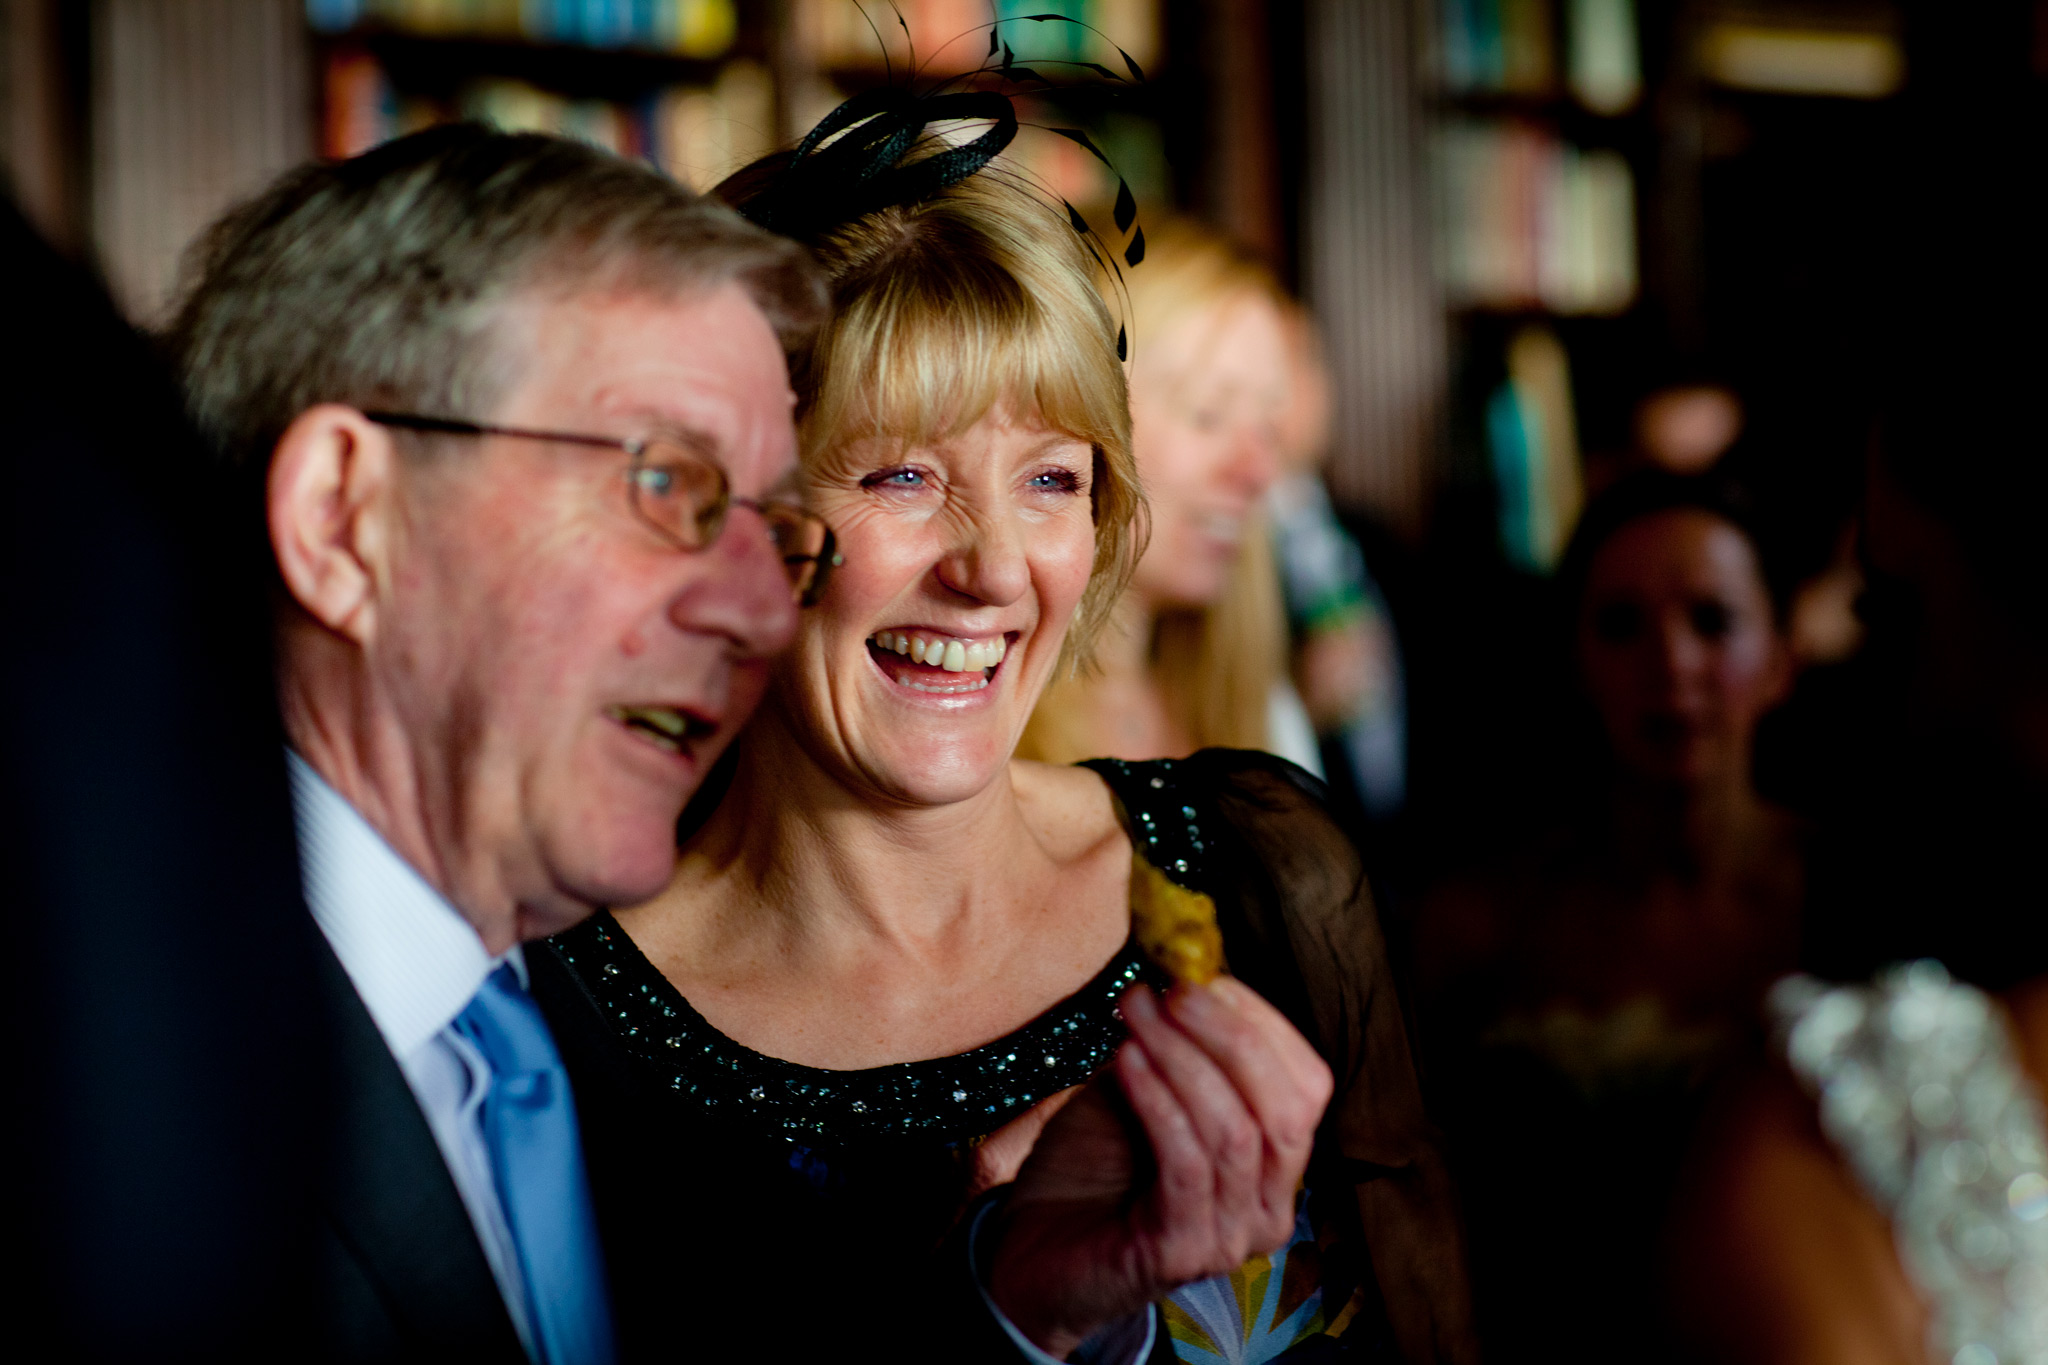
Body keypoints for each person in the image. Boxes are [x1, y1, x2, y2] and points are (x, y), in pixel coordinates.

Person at [165, 123, 1332, 1362]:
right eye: (665, 488)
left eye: (1054, 479)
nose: (758, 593)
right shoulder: (149, 1070)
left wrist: (1007, 1313)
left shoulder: (508, 1023)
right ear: (344, 518)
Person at [531, 110, 1475, 1365]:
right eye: (899, 477)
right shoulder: (563, 1020)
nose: (990, 571)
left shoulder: (1262, 869)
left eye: (1047, 480)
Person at [1414, 471, 1801, 1359]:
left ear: (1783, 657)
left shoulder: (1862, 903)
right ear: (1574, 661)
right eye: (1623, 624)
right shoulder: (1478, 924)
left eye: (1713, 621)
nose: (1672, 663)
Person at [1016, 219, 1318, 774]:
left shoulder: (1266, 715)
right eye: (1208, 414)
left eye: (1268, 429)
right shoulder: (969, 733)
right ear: (1077, 410)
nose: (1259, 471)